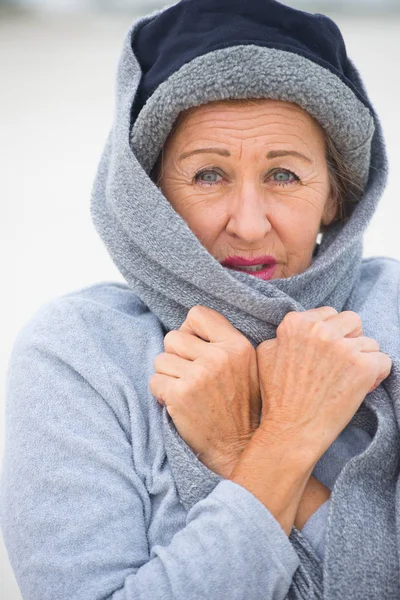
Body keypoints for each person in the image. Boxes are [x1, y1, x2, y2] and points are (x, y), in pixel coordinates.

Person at [1, 0, 399, 598]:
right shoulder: (80, 352)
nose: (247, 223)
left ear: (335, 195)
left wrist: (237, 448)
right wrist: (286, 441)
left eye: (284, 175)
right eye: (208, 175)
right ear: (149, 197)